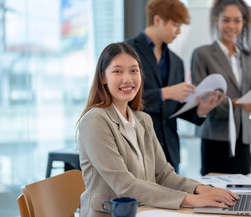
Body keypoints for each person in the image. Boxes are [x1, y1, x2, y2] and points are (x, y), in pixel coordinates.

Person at [76, 42, 239, 216]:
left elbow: (163, 174)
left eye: (134, 70)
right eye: (117, 71)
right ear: (103, 78)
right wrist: (191, 199)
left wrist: (201, 189)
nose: (128, 79)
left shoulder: (143, 120)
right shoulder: (95, 120)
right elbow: (125, 185)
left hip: (146, 211)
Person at [126, 0, 225, 172]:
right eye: (175, 25)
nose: (178, 31)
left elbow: (174, 108)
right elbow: (124, 99)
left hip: (170, 153)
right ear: (157, 20)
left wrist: (201, 110)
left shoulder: (176, 61)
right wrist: (166, 93)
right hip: (138, 148)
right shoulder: (127, 51)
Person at [191, 0, 251, 176]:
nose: (232, 26)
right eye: (226, 20)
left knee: (243, 194)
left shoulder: (248, 57)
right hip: (215, 136)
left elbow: (250, 97)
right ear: (216, 20)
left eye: (237, 21)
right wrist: (237, 103)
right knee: (214, 194)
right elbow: (202, 99)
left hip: (242, 137)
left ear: (243, 23)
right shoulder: (202, 54)